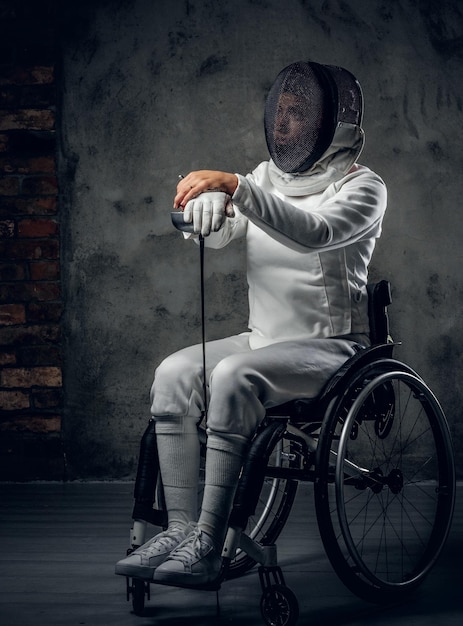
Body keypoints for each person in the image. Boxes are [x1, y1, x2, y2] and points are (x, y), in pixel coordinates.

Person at [115, 61, 387, 588]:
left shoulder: (365, 188)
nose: (285, 126)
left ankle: (210, 541)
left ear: (333, 122)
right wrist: (209, 209)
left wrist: (235, 186)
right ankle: (178, 530)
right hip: (262, 342)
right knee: (173, 372)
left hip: (331, 351)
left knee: (237, 375)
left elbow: (314, 232)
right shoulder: (265, 178)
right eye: (281, 114)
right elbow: (225, 233)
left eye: (299, 114)